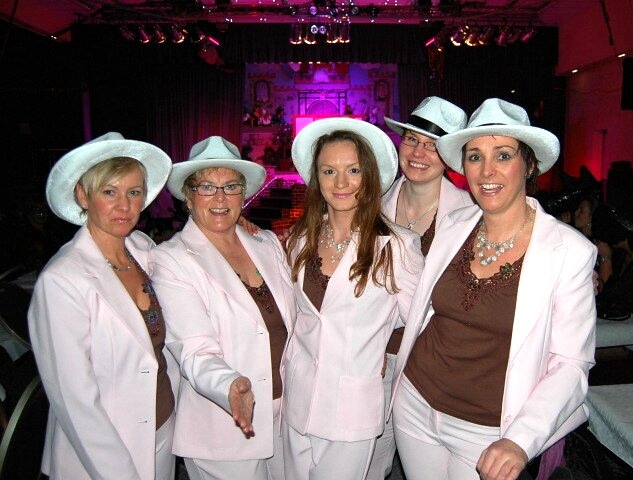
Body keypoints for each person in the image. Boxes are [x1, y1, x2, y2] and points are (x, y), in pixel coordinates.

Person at [391, 98, 597, 480]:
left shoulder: (570, 252)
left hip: (489, 430)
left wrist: (521, 439)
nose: (487, 171)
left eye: (503, 155)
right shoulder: (453, 224)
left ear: (529, 165)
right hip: (415, 403)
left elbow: (571, 365)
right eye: (475, 157)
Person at [28, 132, 177, 480]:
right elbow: (74, 400)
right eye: (110, 192)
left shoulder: (141, 249)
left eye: (134, 192)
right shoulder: (62, 280)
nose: (124, 206)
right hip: (104, 452)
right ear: (83, 195)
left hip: (162, 430)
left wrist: (240, 230)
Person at [281, 117, 424, 479]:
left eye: (353, 170)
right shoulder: (299, 239)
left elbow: (419, 324)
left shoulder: (397, 247)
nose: (341, 183)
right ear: (316, 178)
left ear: (369, 176)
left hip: (351, 408)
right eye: (329, 171)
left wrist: (383, 351)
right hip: (297, 401)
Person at [149, 136, 296, 480]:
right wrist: (229, 385)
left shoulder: (266, 243)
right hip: (224, 426)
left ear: (243, 195)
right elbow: (194, 350)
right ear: (187, 197)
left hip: (284, 414)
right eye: (206, 187)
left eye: (231, 186)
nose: (220, 198)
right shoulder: (172, 259)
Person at [367, 96, 471, 480]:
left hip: (434, 362)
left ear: (449, 157)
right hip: (375, 357)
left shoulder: (470, 214)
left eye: (432, 145)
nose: (418, 153)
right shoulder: (371, 205)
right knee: (370, 461)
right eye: (412, 139)